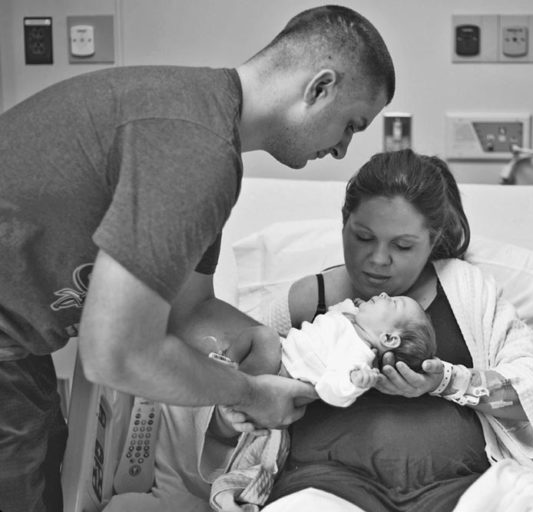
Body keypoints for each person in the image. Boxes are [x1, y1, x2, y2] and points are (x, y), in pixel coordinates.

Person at [0, 4, 395, 511]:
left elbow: (190, 310)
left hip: (19, 344)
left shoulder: (204, 131)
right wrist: (249, 395)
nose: (343, 150)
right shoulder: (194, 154)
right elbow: (115, 351)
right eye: (350, 126)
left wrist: (268, 344)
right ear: (320, 89)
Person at [246, 148, 533, 511]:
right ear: (344, 223)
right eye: (363, 237)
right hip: (324, 489)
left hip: (463, 491)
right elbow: (237, 381)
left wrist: (448, 382)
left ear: (432, 240)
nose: (378, 259)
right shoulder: (310, 298)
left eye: (402, 245)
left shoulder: (466, 293)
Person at [205, 293, 437, 510]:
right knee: (260, 335)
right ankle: (227, 365)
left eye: (394, 303)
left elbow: (333, 390)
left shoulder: (358, 353)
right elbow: (332, 317)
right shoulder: (352, 317)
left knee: (263, 337)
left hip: (283, 374)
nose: (385, 294)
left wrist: (355, 381)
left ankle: (227, 371)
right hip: (281, 359)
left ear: (388, 338)